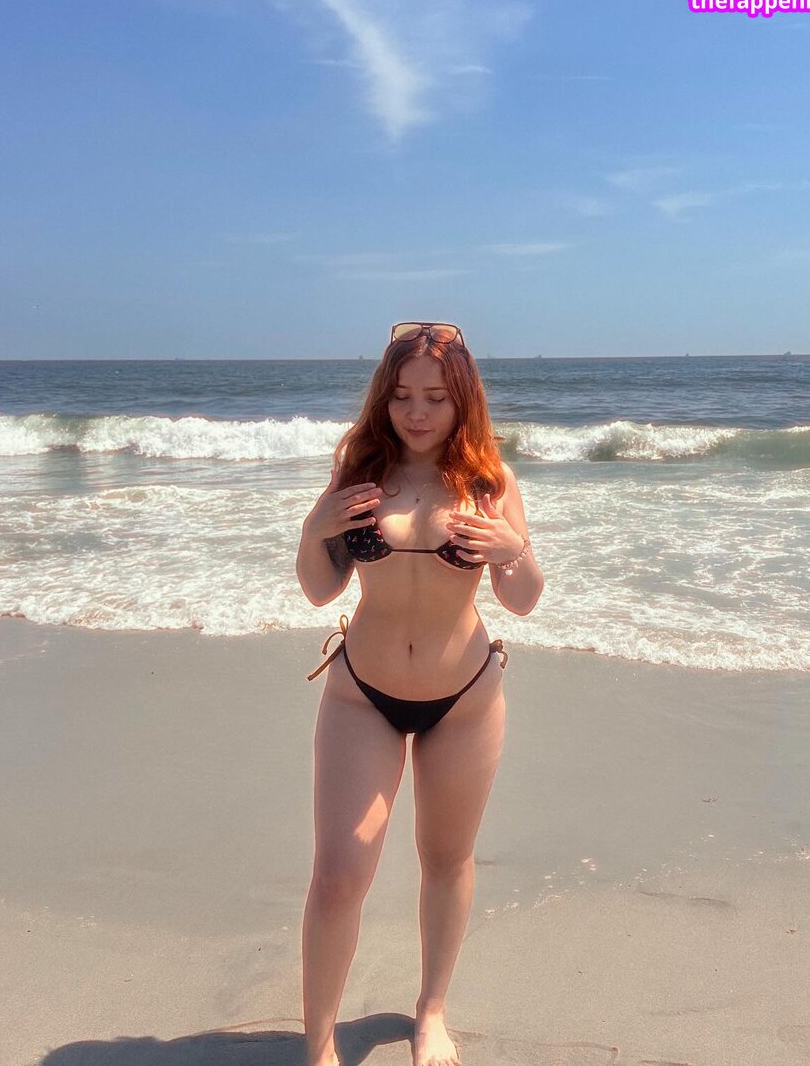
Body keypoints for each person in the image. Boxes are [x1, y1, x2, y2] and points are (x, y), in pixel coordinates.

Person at [295, 322, 543, 1066]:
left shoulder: (489, 483)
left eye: (435, 396)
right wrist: (314, 529)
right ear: (385, 396)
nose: (417, 411)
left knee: (445, 858)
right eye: (402, 395)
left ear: (461, 398)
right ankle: (318, 1046)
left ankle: (431, 1012)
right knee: (339, 874)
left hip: (462, 699)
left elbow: (523, 598)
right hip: (361, 695)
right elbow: (320, 589)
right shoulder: (360, 470)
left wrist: (514, 550)